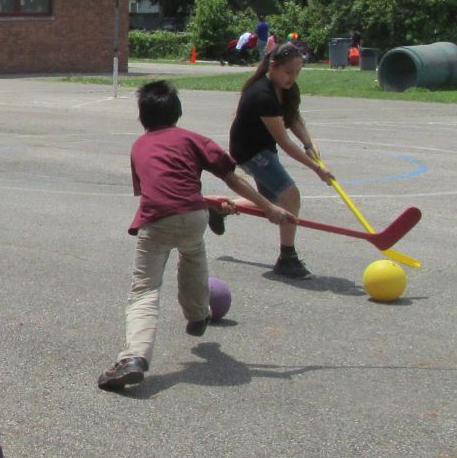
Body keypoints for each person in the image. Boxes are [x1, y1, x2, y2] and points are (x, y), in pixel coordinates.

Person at [97, 81, 291, 392]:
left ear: (142, 117)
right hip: (193, 215)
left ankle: (134, 357)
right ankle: (199, 315)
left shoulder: (138, 147)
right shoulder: (192, 139)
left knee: (145, 290)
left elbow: (156, 189)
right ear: (178, 113)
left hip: (157, 219)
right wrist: (269, 207)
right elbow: (232, 178)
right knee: (193, 253)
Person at [228, 43, 332, 279]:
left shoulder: (285, 88)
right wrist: (317, 168)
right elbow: (284, 142)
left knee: (272, 202)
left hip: (263, 148)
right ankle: (287, 257)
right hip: (250, 152)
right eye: (288, 73)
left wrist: (309, 144)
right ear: (273, 66)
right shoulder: (261, 94)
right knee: (290, 196)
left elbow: (292, 117)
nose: (292, 79)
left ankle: (223, 206)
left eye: (297, 73)